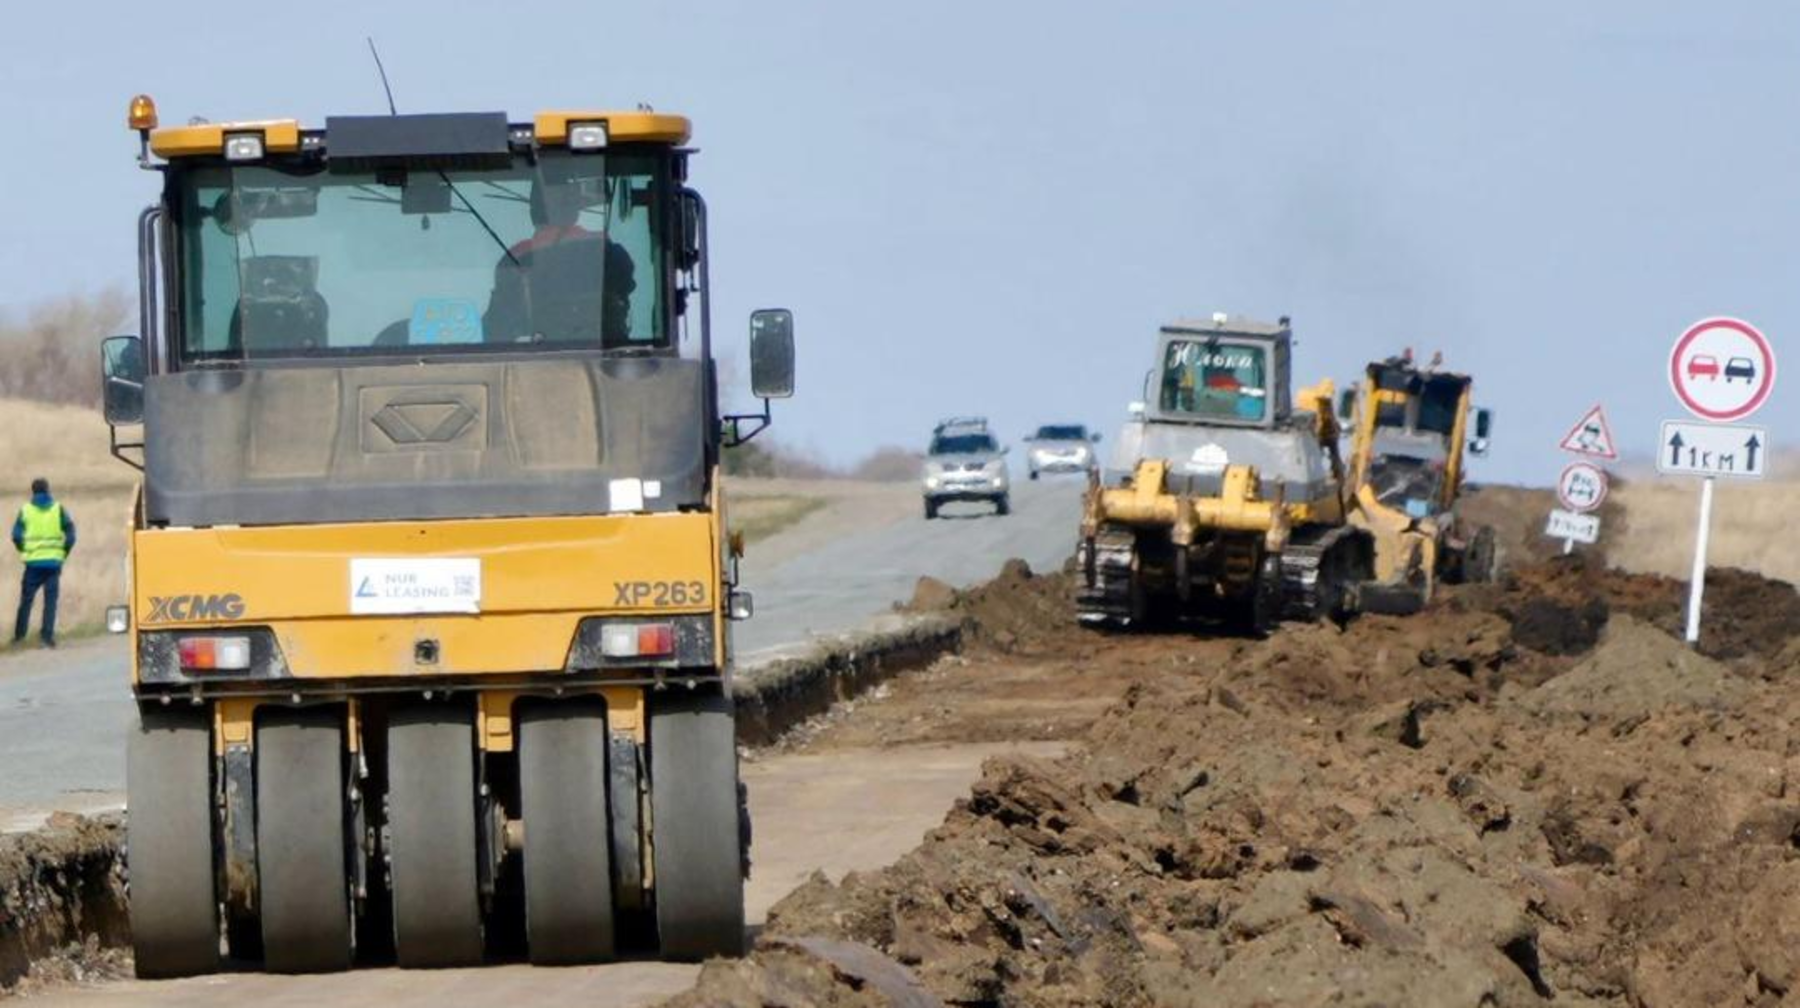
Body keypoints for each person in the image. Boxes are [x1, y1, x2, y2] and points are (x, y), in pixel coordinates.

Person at [13, 477, 74, 648]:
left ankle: (19, 637)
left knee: (26, 601)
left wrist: (24, 551)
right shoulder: (58, 509)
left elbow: (16, 536)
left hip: (32, 564)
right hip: (53, 563)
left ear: (33, 491)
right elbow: (71, 534)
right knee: (50, 601)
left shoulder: (25, 510)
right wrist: (63, 552)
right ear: (48, 490)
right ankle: (47, 637)